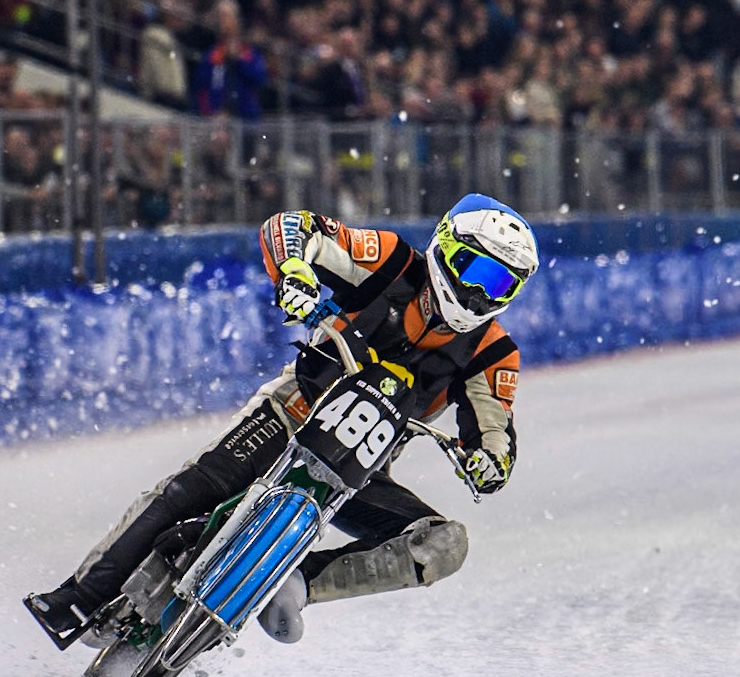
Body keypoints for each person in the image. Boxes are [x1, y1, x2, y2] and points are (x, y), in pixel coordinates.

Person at [26, 194, 539, 646]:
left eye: (500, 285)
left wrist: (488, 463)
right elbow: (292, 227)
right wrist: (293, 270)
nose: (480, 295)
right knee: (191, 489)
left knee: (445, 543)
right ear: (446, 250)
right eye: (477, 272)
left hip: (363, 464)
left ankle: (297, 583)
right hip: (294, 409)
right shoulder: (389, 262)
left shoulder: (493, 353)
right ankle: (80, 596)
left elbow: (496, 432)